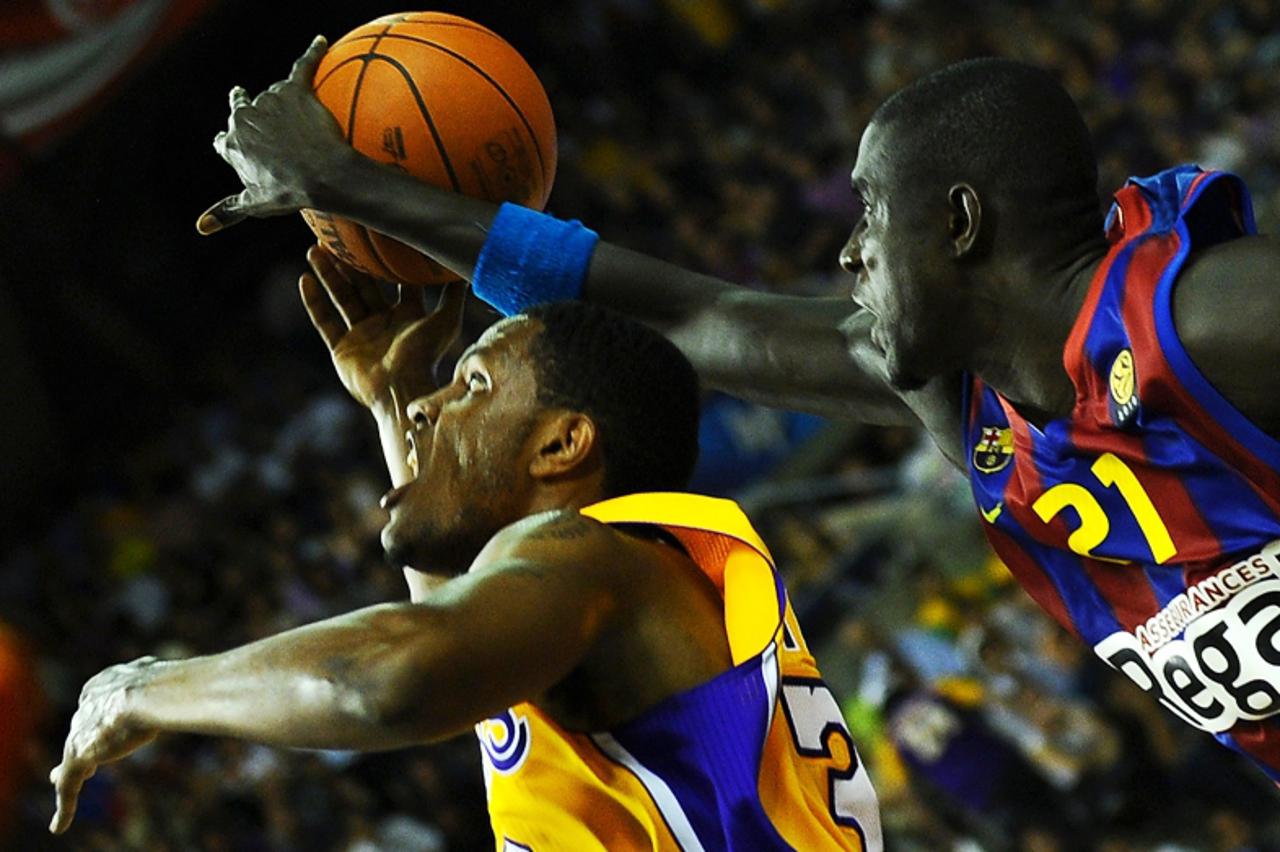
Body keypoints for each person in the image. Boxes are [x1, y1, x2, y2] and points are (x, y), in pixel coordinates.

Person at [193, 38, 1280, 780]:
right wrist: (345, 184)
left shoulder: (1206, 318)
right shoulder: (961, 401)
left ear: (956, 224)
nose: (846, 249)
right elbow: (679, 312)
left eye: (868, 211)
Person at [49, 246, 883, 848]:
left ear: (562, 446)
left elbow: (391, 679)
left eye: (473, 385)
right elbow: (458, 627)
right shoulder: (608, 586)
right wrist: (396, 398)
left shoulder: (595, 559)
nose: (429, 409)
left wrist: (145, 687)